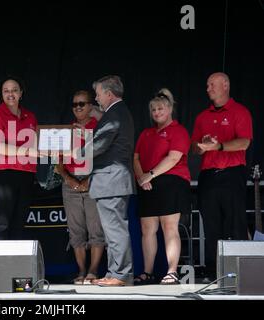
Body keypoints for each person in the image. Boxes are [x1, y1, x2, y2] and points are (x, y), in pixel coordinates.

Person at [192, 72, 253, 283]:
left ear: (225, 85)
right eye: (207, 85)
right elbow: (194, 148)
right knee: (211, 225)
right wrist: (203, 145)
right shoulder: (202, 116)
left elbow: (244, 142)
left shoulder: (240, 111)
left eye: (212, 84)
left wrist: (219, 146)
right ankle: (212, 274)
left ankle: (240, 275)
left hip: (232, 173)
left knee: (236, 223)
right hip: (208, 175)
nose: (208, 88)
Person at [133, 88, 191, 285]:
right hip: (147, 183)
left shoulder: (179, 130)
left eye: (160, 109)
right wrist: (142, 178)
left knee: (169, 226)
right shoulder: (146, 133)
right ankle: (148, 272)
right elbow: (136, 157)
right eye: (153, 110)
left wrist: (150, 174)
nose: (157, 113)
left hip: (171, 182)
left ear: (169, 109)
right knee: (147, 228)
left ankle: (172, 271)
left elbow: (173, 157)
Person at [87, 75, 135, 286]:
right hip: (112, 181)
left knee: (115, 229)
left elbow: (98, 146)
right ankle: (115, 272)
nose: (96, 99)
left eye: (98, 94)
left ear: (108, 93)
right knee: (113, 230)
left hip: (111, 180)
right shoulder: (116, 112)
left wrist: (74, 152)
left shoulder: (115, 114)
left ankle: (121, 274)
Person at [55, 90, 105, 285]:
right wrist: (69, 179)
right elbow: (57, 161)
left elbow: (104, 159)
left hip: (94, 181)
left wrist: (89, 180)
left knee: (96, 229)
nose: (78, 107)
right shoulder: (66, 131)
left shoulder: (99, 129)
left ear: (91, 106)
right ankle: (81, 271)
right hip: (70, 183)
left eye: (82, 104)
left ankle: (93, 271)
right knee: (76, 231)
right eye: (74, 104)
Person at [0, 75, 38, 240]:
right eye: (6, 91)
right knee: (3, 223)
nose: (10, 94)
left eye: (14, 90)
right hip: (2, 174)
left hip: (26, 175)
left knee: (19, 223)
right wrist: (27, 152)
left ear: (21, 93)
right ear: (1, 94)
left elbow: (36, 145)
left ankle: (15, 265)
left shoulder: (30, 116)